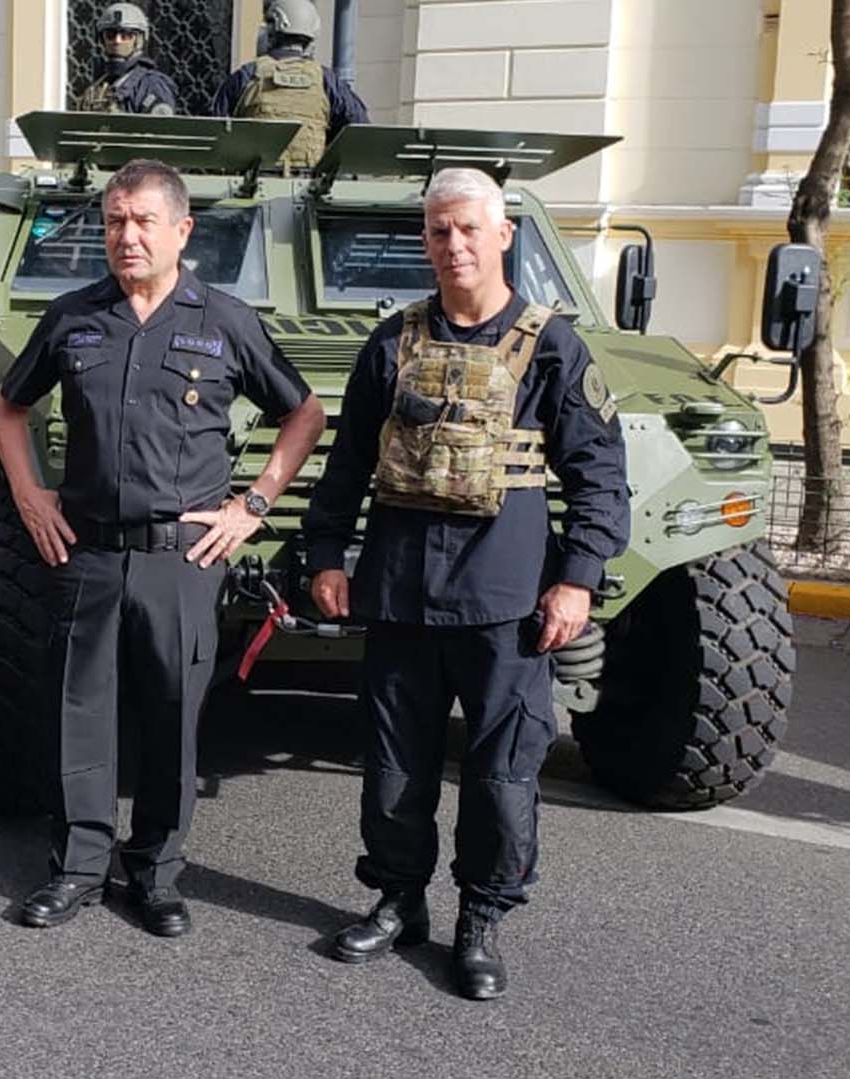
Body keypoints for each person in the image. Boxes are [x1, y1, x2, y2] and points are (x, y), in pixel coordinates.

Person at [301, 167, 630, 1000]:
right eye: (440, 231)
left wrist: (578, 579)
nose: (454, 245)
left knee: (502, 773)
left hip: (508, 603)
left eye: (469, 229)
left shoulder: (553, 345)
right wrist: (327, 556)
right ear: (426, 240)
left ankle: (479, 917)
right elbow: (347, 466)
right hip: (402, 594)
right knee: (394, 765)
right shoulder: (393, 341)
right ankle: (398, 897)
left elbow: (599, 475)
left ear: (504, 234)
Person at [0, 159, 325, 937]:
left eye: (143, 221)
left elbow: (301, 413)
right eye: (113, 221)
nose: (127, 235)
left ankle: (153, 872)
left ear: (181, 230)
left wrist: (254, 504)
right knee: (80, 714)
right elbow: (8, 408)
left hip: (184, 560)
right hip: (90, 552)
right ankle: (77, 866)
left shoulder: (224, 320)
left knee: (174, 718)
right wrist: (29, 493)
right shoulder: (73, 316)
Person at [210, 0, 369, 169]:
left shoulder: (247, 75)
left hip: (252, 186)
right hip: (308, 188)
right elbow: (359, 127)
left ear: (270, 32)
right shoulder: (327, 80)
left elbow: (215, 131)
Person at [72, 2, 180, 117]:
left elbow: (159, 130)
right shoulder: (99, 85)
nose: (117, 41)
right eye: (110, 35)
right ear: (102, 40)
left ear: (139, 40)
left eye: (126, 35)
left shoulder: (152, 85)